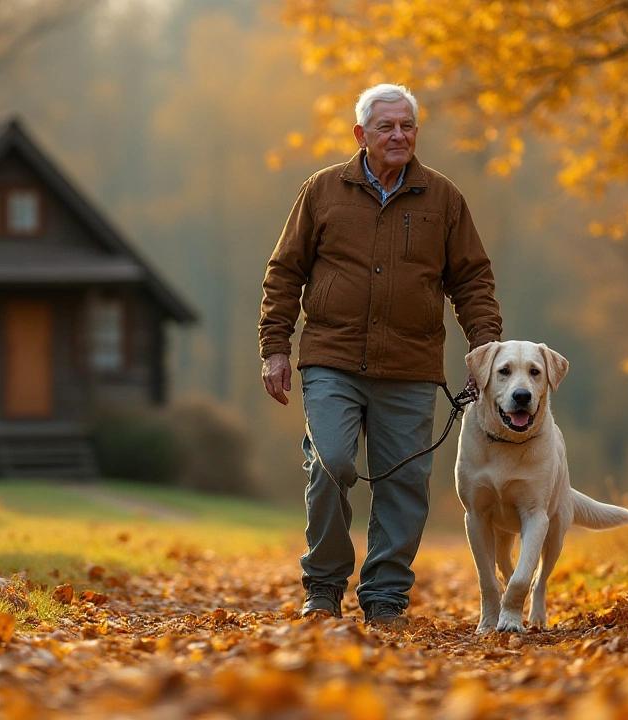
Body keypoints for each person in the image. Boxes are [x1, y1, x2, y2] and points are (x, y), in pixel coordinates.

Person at [258, 83, 502, 628]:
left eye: (407, 126)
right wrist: (275, 348)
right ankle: (323, 586)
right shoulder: (322, 191)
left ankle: (386, 596)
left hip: (411, 367)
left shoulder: (444, 199)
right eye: (386, 126)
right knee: (332, 463)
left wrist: (485, 351)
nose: (399, 135)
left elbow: (473, 281)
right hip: (332, 358)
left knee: (404, 484)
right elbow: (284, 272)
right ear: (360, 134)